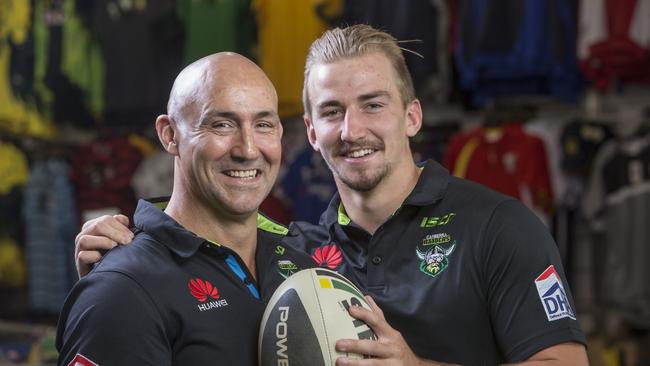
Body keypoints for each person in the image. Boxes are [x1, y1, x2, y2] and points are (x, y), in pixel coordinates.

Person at [74, 25, 589, 365]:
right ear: (311, 133)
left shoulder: (500, 226)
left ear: (413, 116)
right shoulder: (297, 248)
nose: (352, 129)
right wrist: (131, 249)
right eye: (331, 112)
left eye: (372, 105)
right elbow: (205, 240)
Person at [56, 53, 316, 365]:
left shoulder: (301, 262)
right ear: (170, 135)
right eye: (221, 124)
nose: (247, 149)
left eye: (263, 124)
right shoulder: (122, 289)